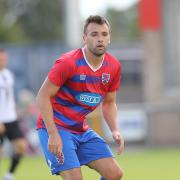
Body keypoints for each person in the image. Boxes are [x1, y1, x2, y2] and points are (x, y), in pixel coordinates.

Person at [36, 15, 124, 180]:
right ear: (84, 38)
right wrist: (53, 134)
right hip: (57, 128)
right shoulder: (68, 62)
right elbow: (42, 97)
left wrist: (115, 129)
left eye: (104, 34)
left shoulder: (113, 67)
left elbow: (109, 102)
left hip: (80, 129)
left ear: (109, 38)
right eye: (94, 34)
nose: (100, 39)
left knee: (114, 174)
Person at [0, 49, 27, 180]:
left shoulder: (9, 74)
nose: (3, 61)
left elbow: (9, 97)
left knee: (22, 145)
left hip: (10, 118)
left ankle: (9, 175)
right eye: (1, 59)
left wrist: (15, 110)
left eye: (4, 59)